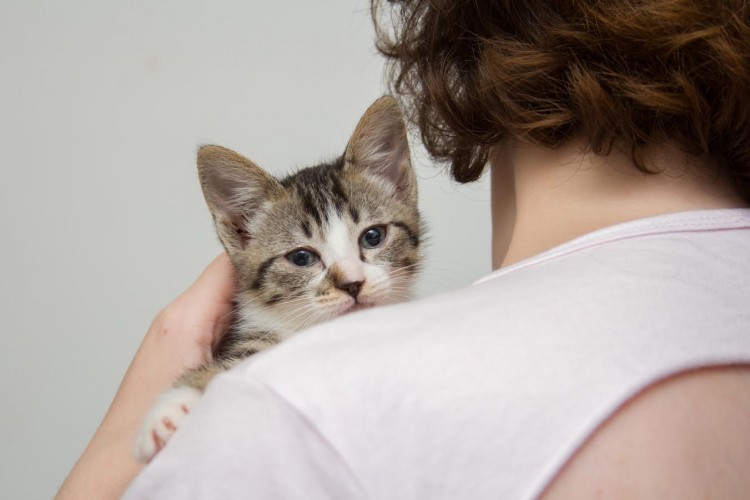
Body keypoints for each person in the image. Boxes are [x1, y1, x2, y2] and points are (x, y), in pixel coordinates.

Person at [58, 1, 750, 498]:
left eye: (369, 238)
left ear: (463, 58)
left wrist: (112, 452)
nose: (350, 279)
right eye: (306, 257)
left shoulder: (292, 407)